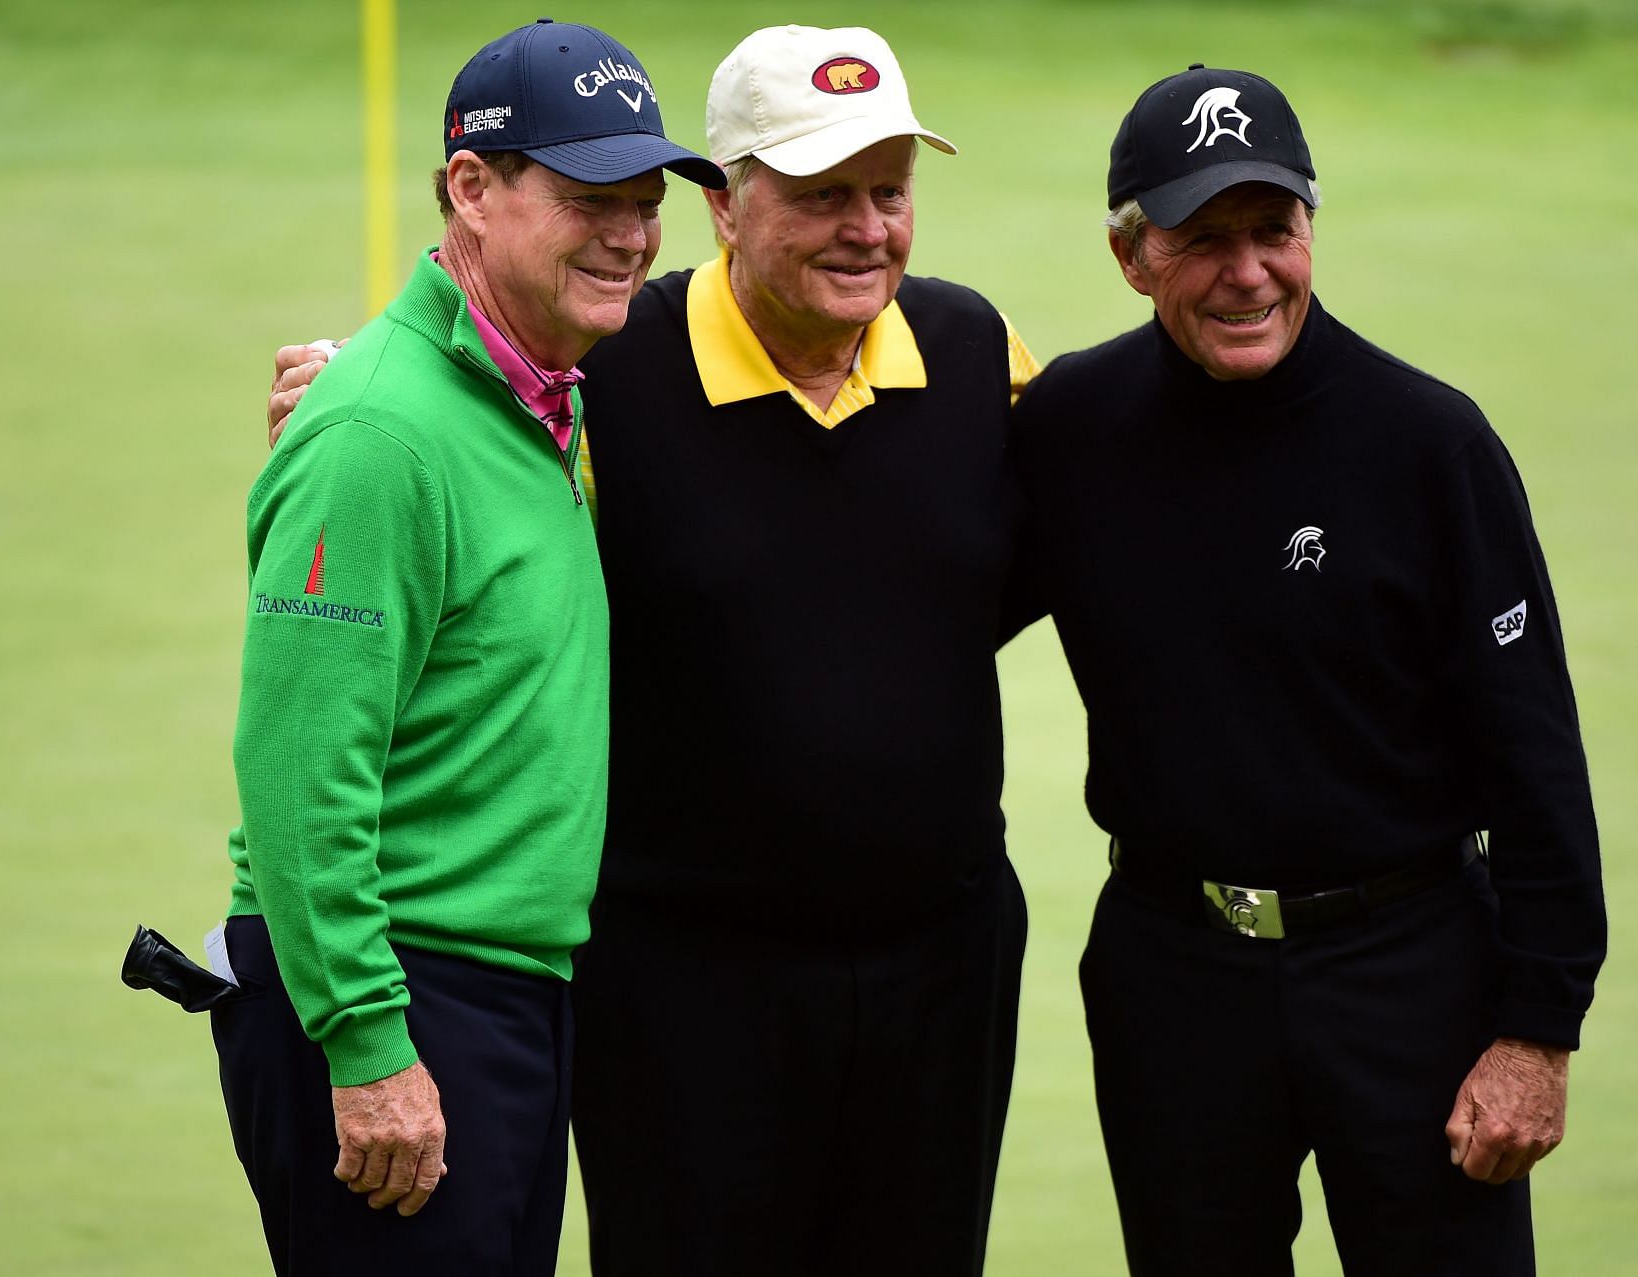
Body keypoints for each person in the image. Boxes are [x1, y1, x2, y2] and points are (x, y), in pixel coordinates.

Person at [269, 25, 1038, 1275]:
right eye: (821, 194)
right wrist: (351, 388)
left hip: (941, 972)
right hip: (680, 977)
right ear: (726, 205)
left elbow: (1100, 491)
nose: (867, 229)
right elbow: (457, 394)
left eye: (889, 191)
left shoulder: (970, 350)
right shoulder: (606, 367)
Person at [1010, 64, 1607, 1276]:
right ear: (1132, 256)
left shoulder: (1429, 442)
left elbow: (1534, 744)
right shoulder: (1071, 423)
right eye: (1203, 238)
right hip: (1172, 970)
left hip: (1413, 969)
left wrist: (1537, 1031)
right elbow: (926, 610)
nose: (1248, 273)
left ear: (1311, 231)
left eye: (1273, 230)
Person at [212, 20, 721, 1275]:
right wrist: (369, 1039)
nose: (631, 231)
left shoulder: (546, 396)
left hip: (507, 993)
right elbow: (296, 768)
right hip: (399, 991)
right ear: (471, 191)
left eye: (647, 201)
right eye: (590, 196)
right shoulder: (381, 433)